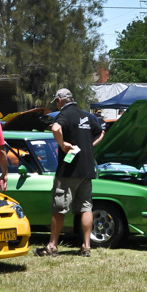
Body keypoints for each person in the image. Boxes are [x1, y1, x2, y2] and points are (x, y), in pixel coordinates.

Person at [36, 88, 105, 258]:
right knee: (86, 208)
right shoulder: (86, 115)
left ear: (60, 100)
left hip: (68, 172)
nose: (57, 104)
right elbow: (101, 132)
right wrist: (89, 146)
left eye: (56, 101)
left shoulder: (64, 114)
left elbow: (55, 128)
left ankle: (52, 246)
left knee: (59, 208)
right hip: (87, 170)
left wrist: (62, 144)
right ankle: (86, 246)